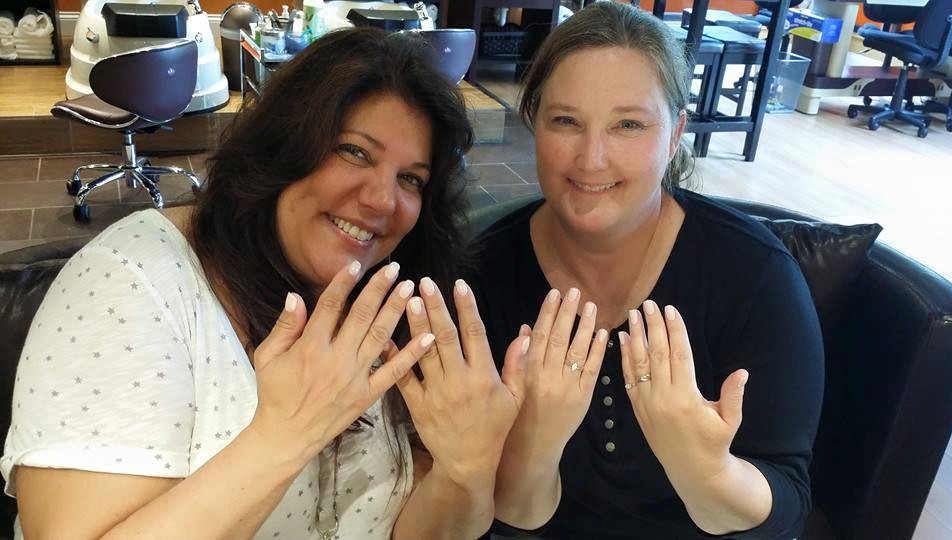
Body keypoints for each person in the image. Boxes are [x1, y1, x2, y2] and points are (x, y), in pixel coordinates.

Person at [1, 28, 520, 540]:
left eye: (411, 179)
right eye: (355, 152)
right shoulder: (130, 284)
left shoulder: (392, 302)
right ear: (284, 145)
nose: (384, 200)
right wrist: (285, 434)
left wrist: (465, 472)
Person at [468, 3, 825, 539]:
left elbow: (787, 507)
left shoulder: (754, 275)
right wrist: (534, 447)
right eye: (566, 121)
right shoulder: (482, 276)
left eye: (628, 124)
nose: (591, 159)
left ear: (675, 132)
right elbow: (509, 519)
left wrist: (705, 470)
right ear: (534, 122)